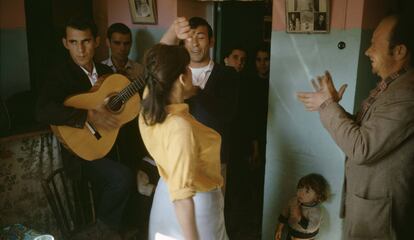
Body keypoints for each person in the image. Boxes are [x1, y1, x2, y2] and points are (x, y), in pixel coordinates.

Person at [297, 14, 414, 239]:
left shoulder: (406, 94)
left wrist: (328, 105)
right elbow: (366, 132)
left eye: (373, 45)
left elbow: (361, 147)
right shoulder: (392, 87)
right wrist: (329, 105)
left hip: (382, 218)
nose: (367, 51)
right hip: (369, 208)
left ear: (399, 51)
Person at [36, 16, 133, 239]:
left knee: (142, 166)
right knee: (121, 177)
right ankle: (103, 232)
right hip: (82, 156)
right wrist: (86, 116)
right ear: (65, 43)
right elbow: (42, 111)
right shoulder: (58, 75)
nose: (80, 49)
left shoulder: (106, 72)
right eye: (73, 42)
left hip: (110, 146)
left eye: (86, 41)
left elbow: (122, 102)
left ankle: (120, 225)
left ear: (97, 41)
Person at [139, 43, 228, 240]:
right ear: (181, 78)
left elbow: (155, 66)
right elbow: (182, 198)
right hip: (196, 206)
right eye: (188, 68)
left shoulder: (149, 108)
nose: (191, 72)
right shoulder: (179, 127)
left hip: (164, 193)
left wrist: (174, 30)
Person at [160, 17, 239, 192]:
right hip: (178, 154)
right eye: (189, 37)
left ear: (211, 41)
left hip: (213, 159)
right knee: (180, 206)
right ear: (182, 42)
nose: (194, 43)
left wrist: (195, 91)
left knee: (212, 212)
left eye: (201, 37)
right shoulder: (173, 74)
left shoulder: (227, 74)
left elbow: (227, 113)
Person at [274, 173, 329, 240]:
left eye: (307, 191)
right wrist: (279, 228)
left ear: (317, 197)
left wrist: (299, 216)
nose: (300, 192)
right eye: (300, 188)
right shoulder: (294, 201)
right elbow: (284, 213)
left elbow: (312, 227)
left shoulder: (316, 210)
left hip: (306, 238)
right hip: (291, 234)